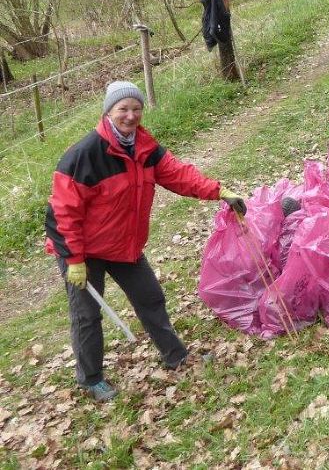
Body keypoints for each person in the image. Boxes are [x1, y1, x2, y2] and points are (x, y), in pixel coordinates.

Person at [45, 81, 247, 402]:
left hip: (124, 244)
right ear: (108, 111)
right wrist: (73, 259)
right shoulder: (84, 155)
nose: (130, 115)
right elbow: (61, 213)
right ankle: (91, 378)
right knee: (87, 315)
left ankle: (176, 356)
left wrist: (219, 192)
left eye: (135, 108)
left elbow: (180, 174)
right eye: (122, 109)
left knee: (150, 298)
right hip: (83, 251)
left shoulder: (145, 148)